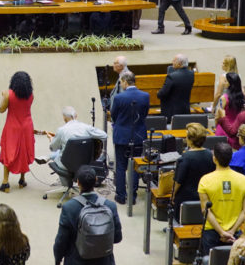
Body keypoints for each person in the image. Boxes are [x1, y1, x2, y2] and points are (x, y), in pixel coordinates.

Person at [198, 142, 245, 259]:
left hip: (211, 232)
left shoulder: (205, 180)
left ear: (214, 159)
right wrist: (231, 231)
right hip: (235, 233)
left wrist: (221, 232)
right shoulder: (244, 181)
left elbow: (205, 211)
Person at [108, 70, 150, 207]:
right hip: (138, 135)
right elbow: (144, 114)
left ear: (125, 82)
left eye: (121, 82)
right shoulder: (145, 96)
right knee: (135, 166)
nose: (121, 85)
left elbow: (113, 115)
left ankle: (121, 196)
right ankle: (132, 196)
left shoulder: (119, 98)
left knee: (121, 166)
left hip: (121, 135)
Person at [0, 71, 38, 192]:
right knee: (24, 152)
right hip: (27, 126)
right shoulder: (31, 95)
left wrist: (3, 96)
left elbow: (1, 109)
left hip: (12, 127)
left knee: (8, 152)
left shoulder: (8, 94)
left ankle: (5, 182)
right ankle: (22, 180)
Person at [41, 106, 106, 171]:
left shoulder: (61, 130)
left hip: (66, 165)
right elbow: (104, 135)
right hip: (84, 163)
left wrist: (51, 139)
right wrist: (92, 139)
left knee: (58, 153)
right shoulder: (87, 128)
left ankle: (48, 157)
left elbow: (53, 148)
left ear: (64, 118)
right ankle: (48, 157)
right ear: (76, 115)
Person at [168, 123, 213, 216]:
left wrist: (172, 195)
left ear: (190, 139)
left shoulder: (185, 157)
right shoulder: (210, 154)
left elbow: (178, 182)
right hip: (206, 196)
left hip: (186, 199)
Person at [157, 54, 194, 118]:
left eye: (174, 61)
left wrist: (158, 92)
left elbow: (162, 93)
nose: (172, 62)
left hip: (172, 112)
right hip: (185, 110)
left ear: (179, 63)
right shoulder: (191, 75)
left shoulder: (171, 77)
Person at [214, 73, 245, 148]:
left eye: (226, 81)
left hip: (224, 128)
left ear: (230, 83)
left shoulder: (224, 98)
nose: (224, 83)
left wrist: (215, 125)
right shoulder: (242, 97)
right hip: (237, 128)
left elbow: (218, 115)